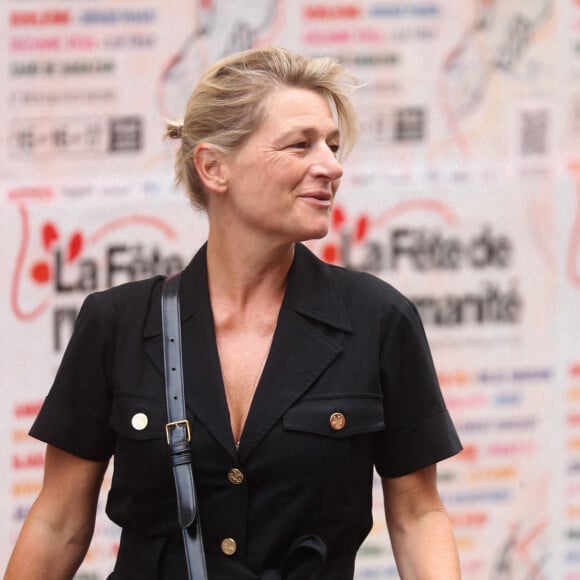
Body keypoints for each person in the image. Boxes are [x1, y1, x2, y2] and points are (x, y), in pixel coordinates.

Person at [5, 46, 462, 579]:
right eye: (300, 145)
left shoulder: (380, 319)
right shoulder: (117, 323)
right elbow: (58, 522)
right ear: (214, 167)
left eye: (333, 147)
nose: (332, 166)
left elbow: (417, 515)